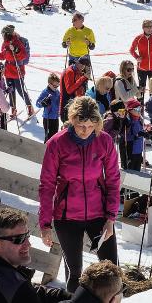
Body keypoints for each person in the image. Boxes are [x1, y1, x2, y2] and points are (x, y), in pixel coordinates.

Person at [39, 97, 121, 293]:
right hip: (67, 216)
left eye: (90, 126)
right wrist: (45, 224)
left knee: (111, 269)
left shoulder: (104, 141)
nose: (85, 131)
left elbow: (113, 180)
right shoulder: (57, 143)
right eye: (80, 125)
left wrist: (110, 218)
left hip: (99, 214)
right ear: (72, 121)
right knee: (75, 271)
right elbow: (47, 184)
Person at [0, 208, 70, 303]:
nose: (28, 244)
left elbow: (29, 291)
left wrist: (65, 295)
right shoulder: (16, 289)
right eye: (19, 239)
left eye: (27, 236)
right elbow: (21, 292)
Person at [0, 25, 32, 117]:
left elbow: (23, 55)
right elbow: (3, 56)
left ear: (7, 34)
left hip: (17, 70)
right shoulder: (4, 43)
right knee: (11, 90)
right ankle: (13, 109)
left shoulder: (17, 42)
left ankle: (29, 106)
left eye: (3, 34)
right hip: (8, 71)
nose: (2, 35)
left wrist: (15, 49)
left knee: (20, 90)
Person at [129, 20, 152, 90]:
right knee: (141, 89)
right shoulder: (138, 38)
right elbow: (131, 50)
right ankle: (140, 101)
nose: (150, 29)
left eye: (151, 26)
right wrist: (137, 57)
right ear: (143, 28)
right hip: (142, 68)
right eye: (148, 27)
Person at [60, 56, 91, 124]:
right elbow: (69, 90)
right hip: (67, 107)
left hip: (75, 106)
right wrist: (83, 78)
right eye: (84, 66)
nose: (83, 68)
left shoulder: (78, 71)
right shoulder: (70, 72)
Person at [37, 73, 62, 142]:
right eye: (54, 86)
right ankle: (45, 150)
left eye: (57, 86)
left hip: (55, 117)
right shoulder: (45, 92)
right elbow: (37, 103)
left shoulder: (57, 92)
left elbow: (59, 102)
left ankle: (53, 151)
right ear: (49, 84)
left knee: (55, 135)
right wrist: (43, 103)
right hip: (48, 118)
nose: (56, 88)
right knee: (48, 137)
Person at [122, 98, 146, 170]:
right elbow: (125, 136)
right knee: (131, 172)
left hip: (138, 150)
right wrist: (137, 135)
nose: (139, 111)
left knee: (137, 170)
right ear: (130, 110)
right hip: (131, 152)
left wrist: (145, 132)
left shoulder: (138, 119)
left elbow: (141, 130)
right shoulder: (128, 121)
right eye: (137, 109)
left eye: (140, 109)